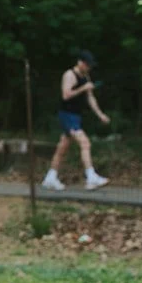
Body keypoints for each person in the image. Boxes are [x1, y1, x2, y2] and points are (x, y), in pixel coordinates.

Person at [41, 49, 111, 191]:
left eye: (90, 65)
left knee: (62, 148)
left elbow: (90, 98)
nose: (88, 67)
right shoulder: (69, 75)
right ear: (80, 62)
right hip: (67, 115)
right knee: (85, 142)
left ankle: (50, 177)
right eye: (87, 64)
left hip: (76, 116)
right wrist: (82, 88)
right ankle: (91, 177)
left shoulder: (86, 76)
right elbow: (66, 95)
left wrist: (100, 114)